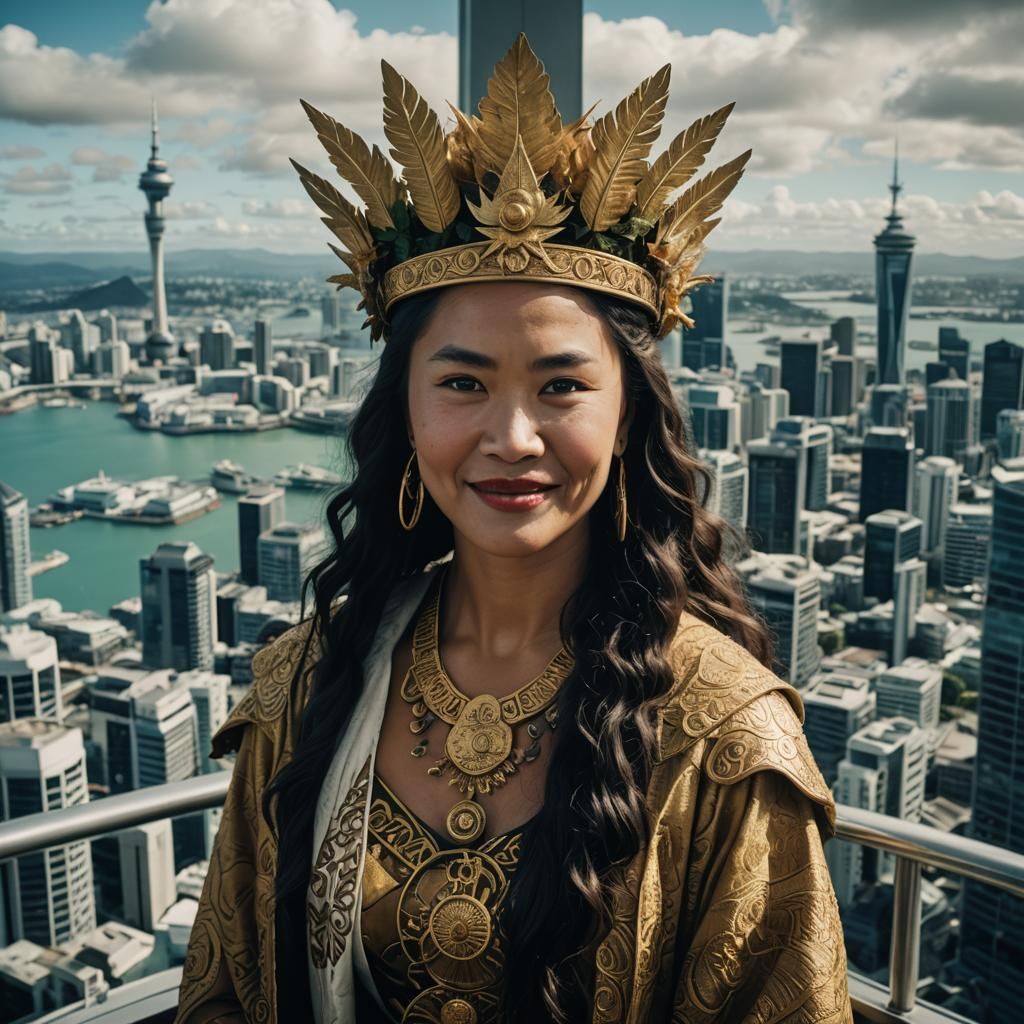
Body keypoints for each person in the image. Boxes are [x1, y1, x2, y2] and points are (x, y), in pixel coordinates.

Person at [175, 34, 851, 1024]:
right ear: (403, 412)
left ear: (628, 418)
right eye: (462, 383)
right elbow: (226, 990)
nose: (511, 436)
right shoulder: (302, 683)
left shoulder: (721, 733)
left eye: (561, 385)